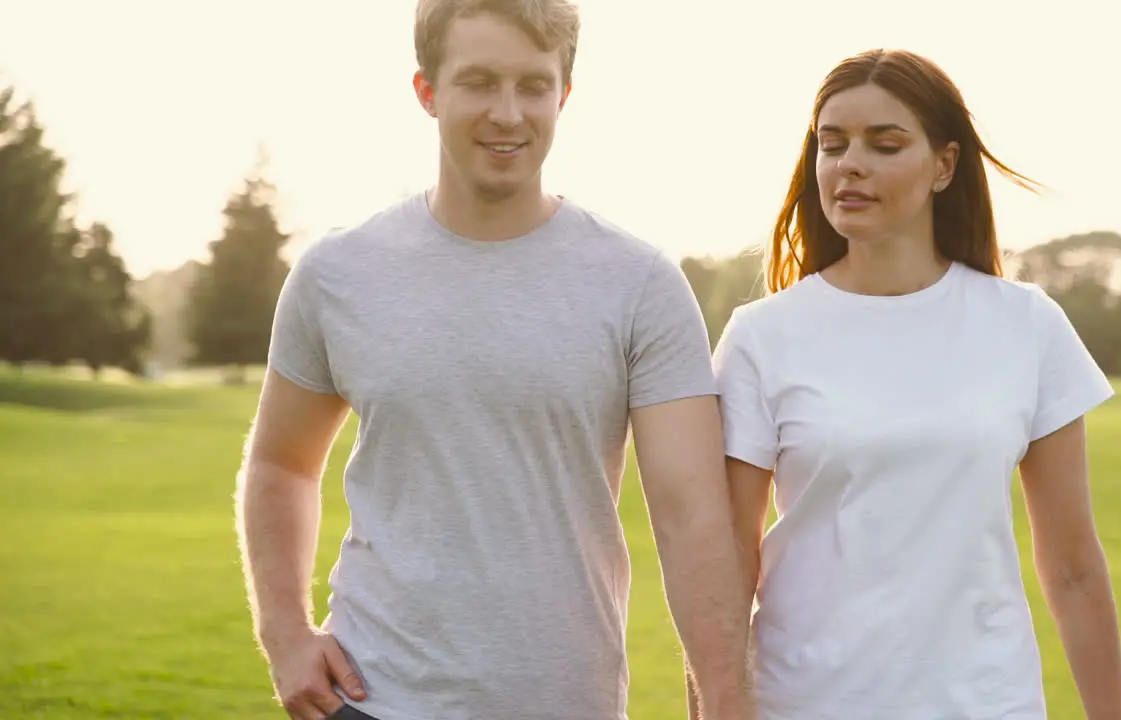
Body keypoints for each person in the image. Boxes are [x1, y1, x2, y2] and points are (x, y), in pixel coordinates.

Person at [234, 1, 755, 718]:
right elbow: (281, 465)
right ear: (427, 91)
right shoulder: (337, 273)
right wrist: (286, 633)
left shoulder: (640, 284)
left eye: (533, 85)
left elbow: (692, 517)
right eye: (478, 82)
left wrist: (725, 703)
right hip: (373, 699)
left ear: (564, 95)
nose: (508, 114)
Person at [710, 49, 1121, 720]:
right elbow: (726, 561)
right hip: (807, 702)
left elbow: (1074, 563)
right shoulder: (762, 337)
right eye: (832, 143)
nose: (850, 163)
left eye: (885, 144)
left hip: (988, 703)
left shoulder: (1025, 325)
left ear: (945, 165)